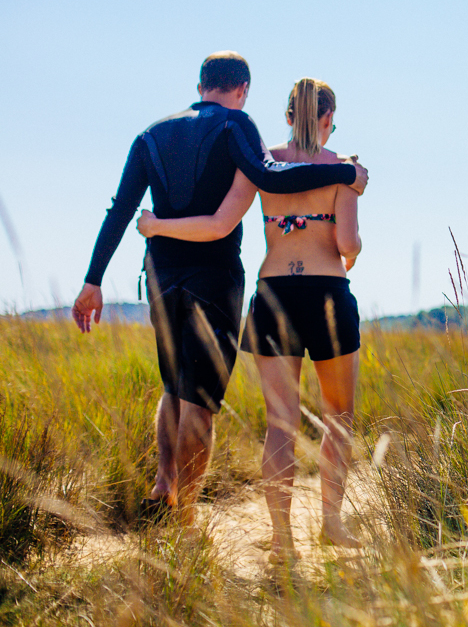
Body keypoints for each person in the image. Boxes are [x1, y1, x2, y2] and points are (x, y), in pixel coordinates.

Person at [72, 54, 368, 527]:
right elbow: (260, 194)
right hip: (227, 281)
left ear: (201, 84)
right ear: (243, 89)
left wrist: (94, 279)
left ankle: (169, 487)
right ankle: (189, 517)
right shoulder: (238, 128)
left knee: (181, 388)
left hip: (171, 277)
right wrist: (345, 175)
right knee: (212, 401)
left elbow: (121, 208)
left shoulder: (150, 135)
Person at [137, 77, 363, 562]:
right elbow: (347, 245)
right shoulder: (344, 170)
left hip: (273, 294)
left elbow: (222, 222)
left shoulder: (262, 165)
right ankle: (331, 523)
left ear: (286, 117)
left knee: (280, 425)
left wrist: (156, 226)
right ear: (326, 119)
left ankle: (282, 543)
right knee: (337, 420)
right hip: (326, 293)